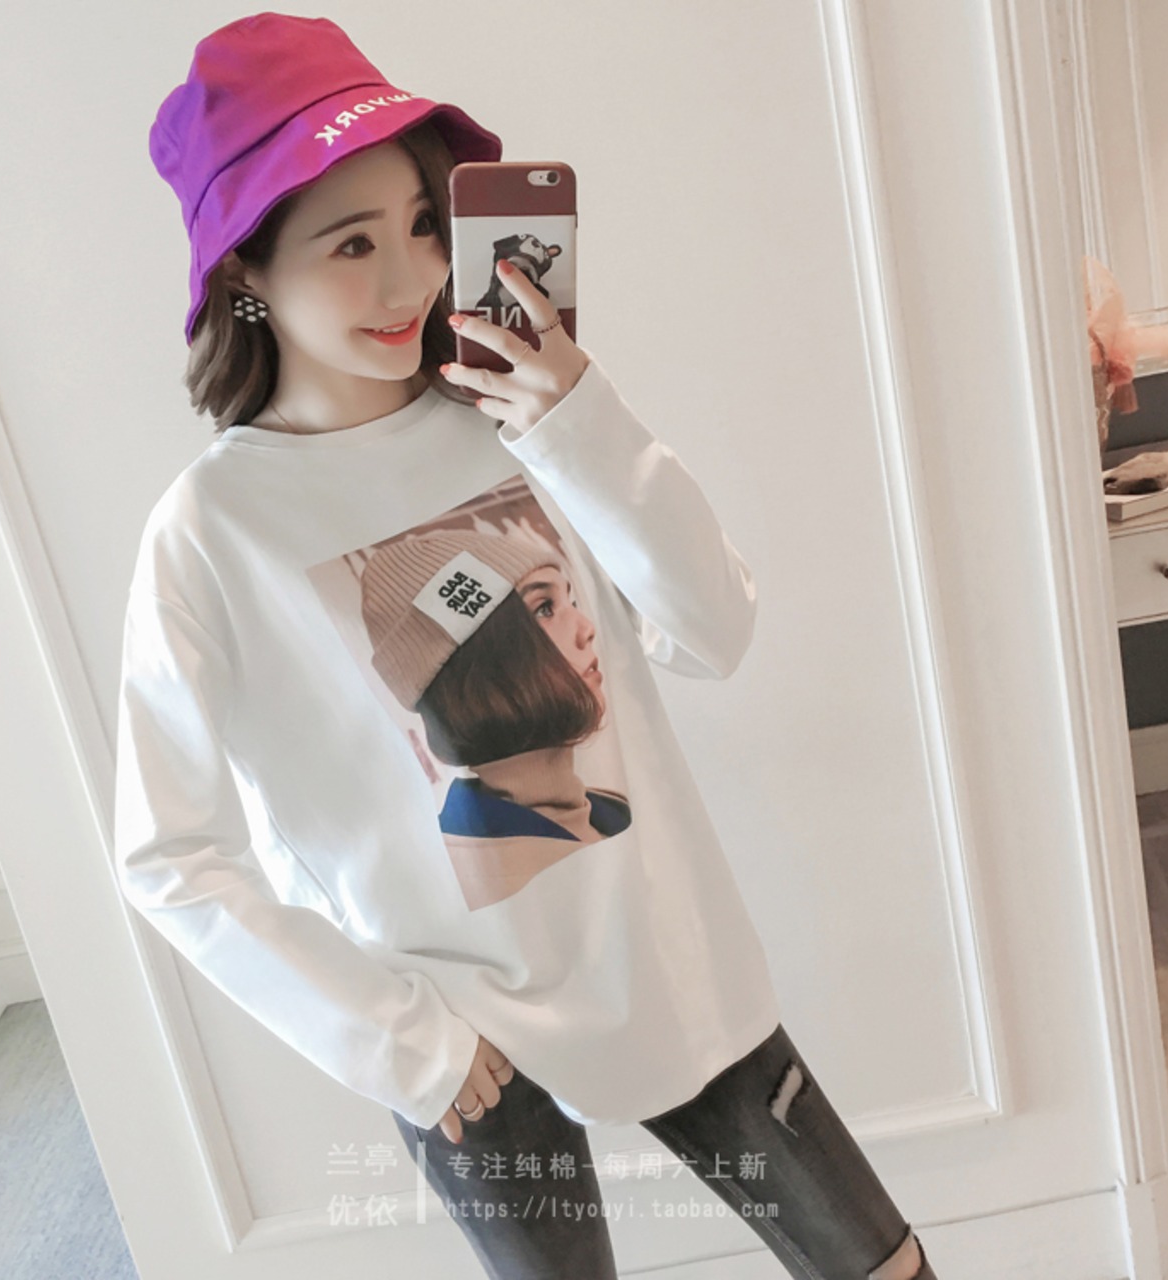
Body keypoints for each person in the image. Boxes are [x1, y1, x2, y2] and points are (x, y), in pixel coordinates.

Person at [115, 12, 939, 1279]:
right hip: (465, 1037)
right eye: (350, 242)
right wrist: (405, 1044)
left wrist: (578, 419)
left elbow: (712, 629)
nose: (409, 280)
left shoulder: (516, 416)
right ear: (246, 273)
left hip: (663, 962)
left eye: (421, 223)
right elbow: (168, 856)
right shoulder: (209, 532)